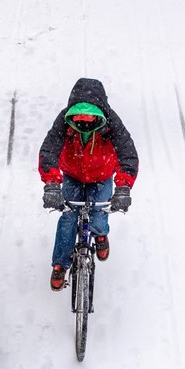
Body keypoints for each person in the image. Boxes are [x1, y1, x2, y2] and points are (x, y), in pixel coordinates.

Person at [38, 78, 139, 291]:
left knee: (99, 214)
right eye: (79, 119)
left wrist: (123, 187)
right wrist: (52, 183)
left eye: (89, 119)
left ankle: (100, 234)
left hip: (101, 175)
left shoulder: (112, 123)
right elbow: (49, 151)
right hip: (73, 174)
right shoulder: (64, 122)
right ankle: (60, 265)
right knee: (68, 217)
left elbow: (127, 155)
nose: (84, 123)